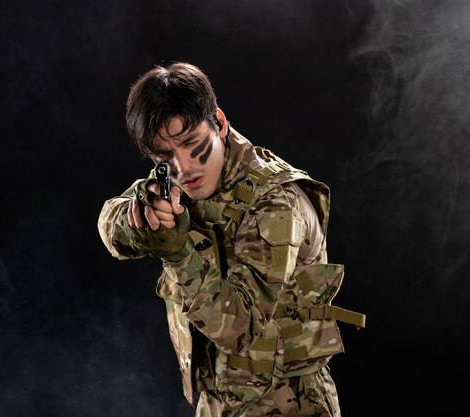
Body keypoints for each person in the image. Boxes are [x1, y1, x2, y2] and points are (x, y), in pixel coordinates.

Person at [97, 62, 365, 417]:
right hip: (217, 402)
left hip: (287, 404)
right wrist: (143, 219)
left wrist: (177, 254)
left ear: (219, 124)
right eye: (164, 157)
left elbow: (243, 329)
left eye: (192, 144)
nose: (184, 167)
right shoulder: (174, 180)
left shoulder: (276, 202)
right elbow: (110, 223)